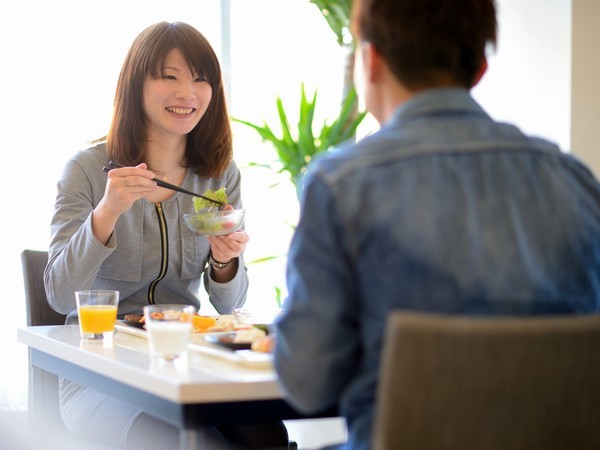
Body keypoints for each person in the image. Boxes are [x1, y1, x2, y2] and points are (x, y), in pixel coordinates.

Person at [273, 1, 600, 449]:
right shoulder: (576, 181)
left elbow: (307, 382)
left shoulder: (341, 185)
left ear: (370, 61)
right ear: (481, 68)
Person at [45, 21, 288, 450]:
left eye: (200, 79)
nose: (187, 93)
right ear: (136, 85)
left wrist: (224, 259)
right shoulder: (87, 168)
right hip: (102, 375)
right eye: (169, 76)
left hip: (186, 364)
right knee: (190, 442)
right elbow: (61, 297)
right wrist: (108, 210)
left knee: (266, 434)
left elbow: (230, 304)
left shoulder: (218, 173)